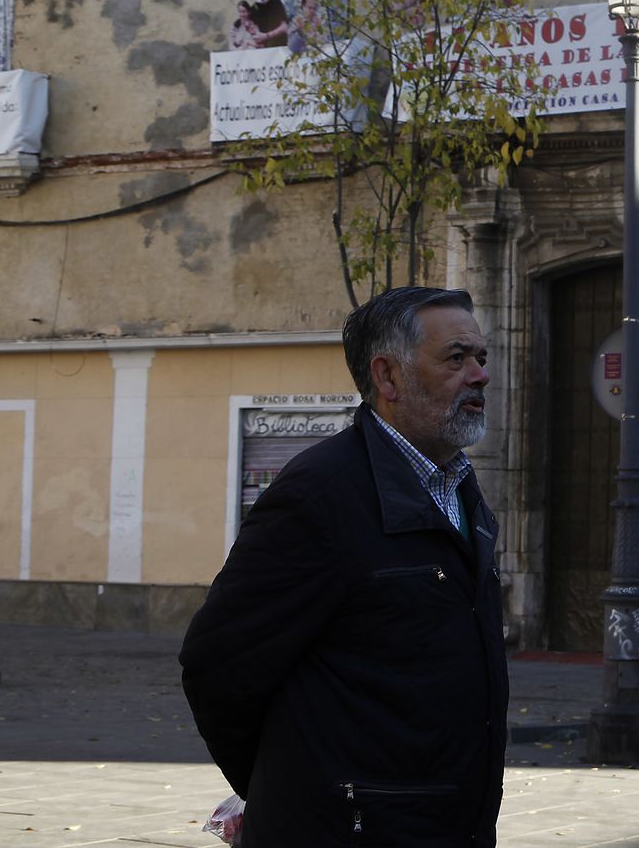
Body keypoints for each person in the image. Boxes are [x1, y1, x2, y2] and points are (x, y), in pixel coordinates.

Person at [180, 287, 507, 847]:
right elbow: (218, 665)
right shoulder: (319, 493)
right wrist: (287, 786)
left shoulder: (458, 486)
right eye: (456, 358)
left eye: (480, 357)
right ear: (388, 376)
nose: (479, 375)